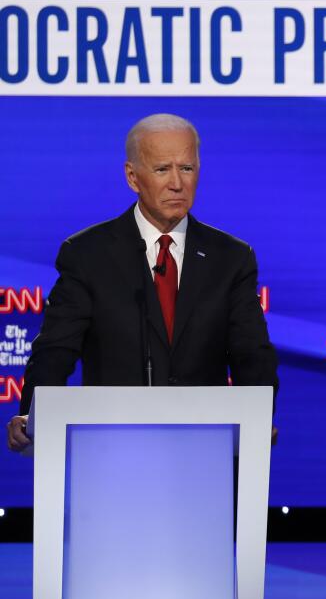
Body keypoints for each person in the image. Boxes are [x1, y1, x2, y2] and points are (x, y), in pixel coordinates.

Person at [7, 113, 278, 452]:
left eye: (187, 168)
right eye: (163, 169)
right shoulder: (87, 254)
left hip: (206, 450)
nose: (177, 183)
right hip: (110, 449)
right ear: (133, 178)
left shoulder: (231, 258)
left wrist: (258, 417)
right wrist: (32, 416)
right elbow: (55, 350)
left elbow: (252, 355)